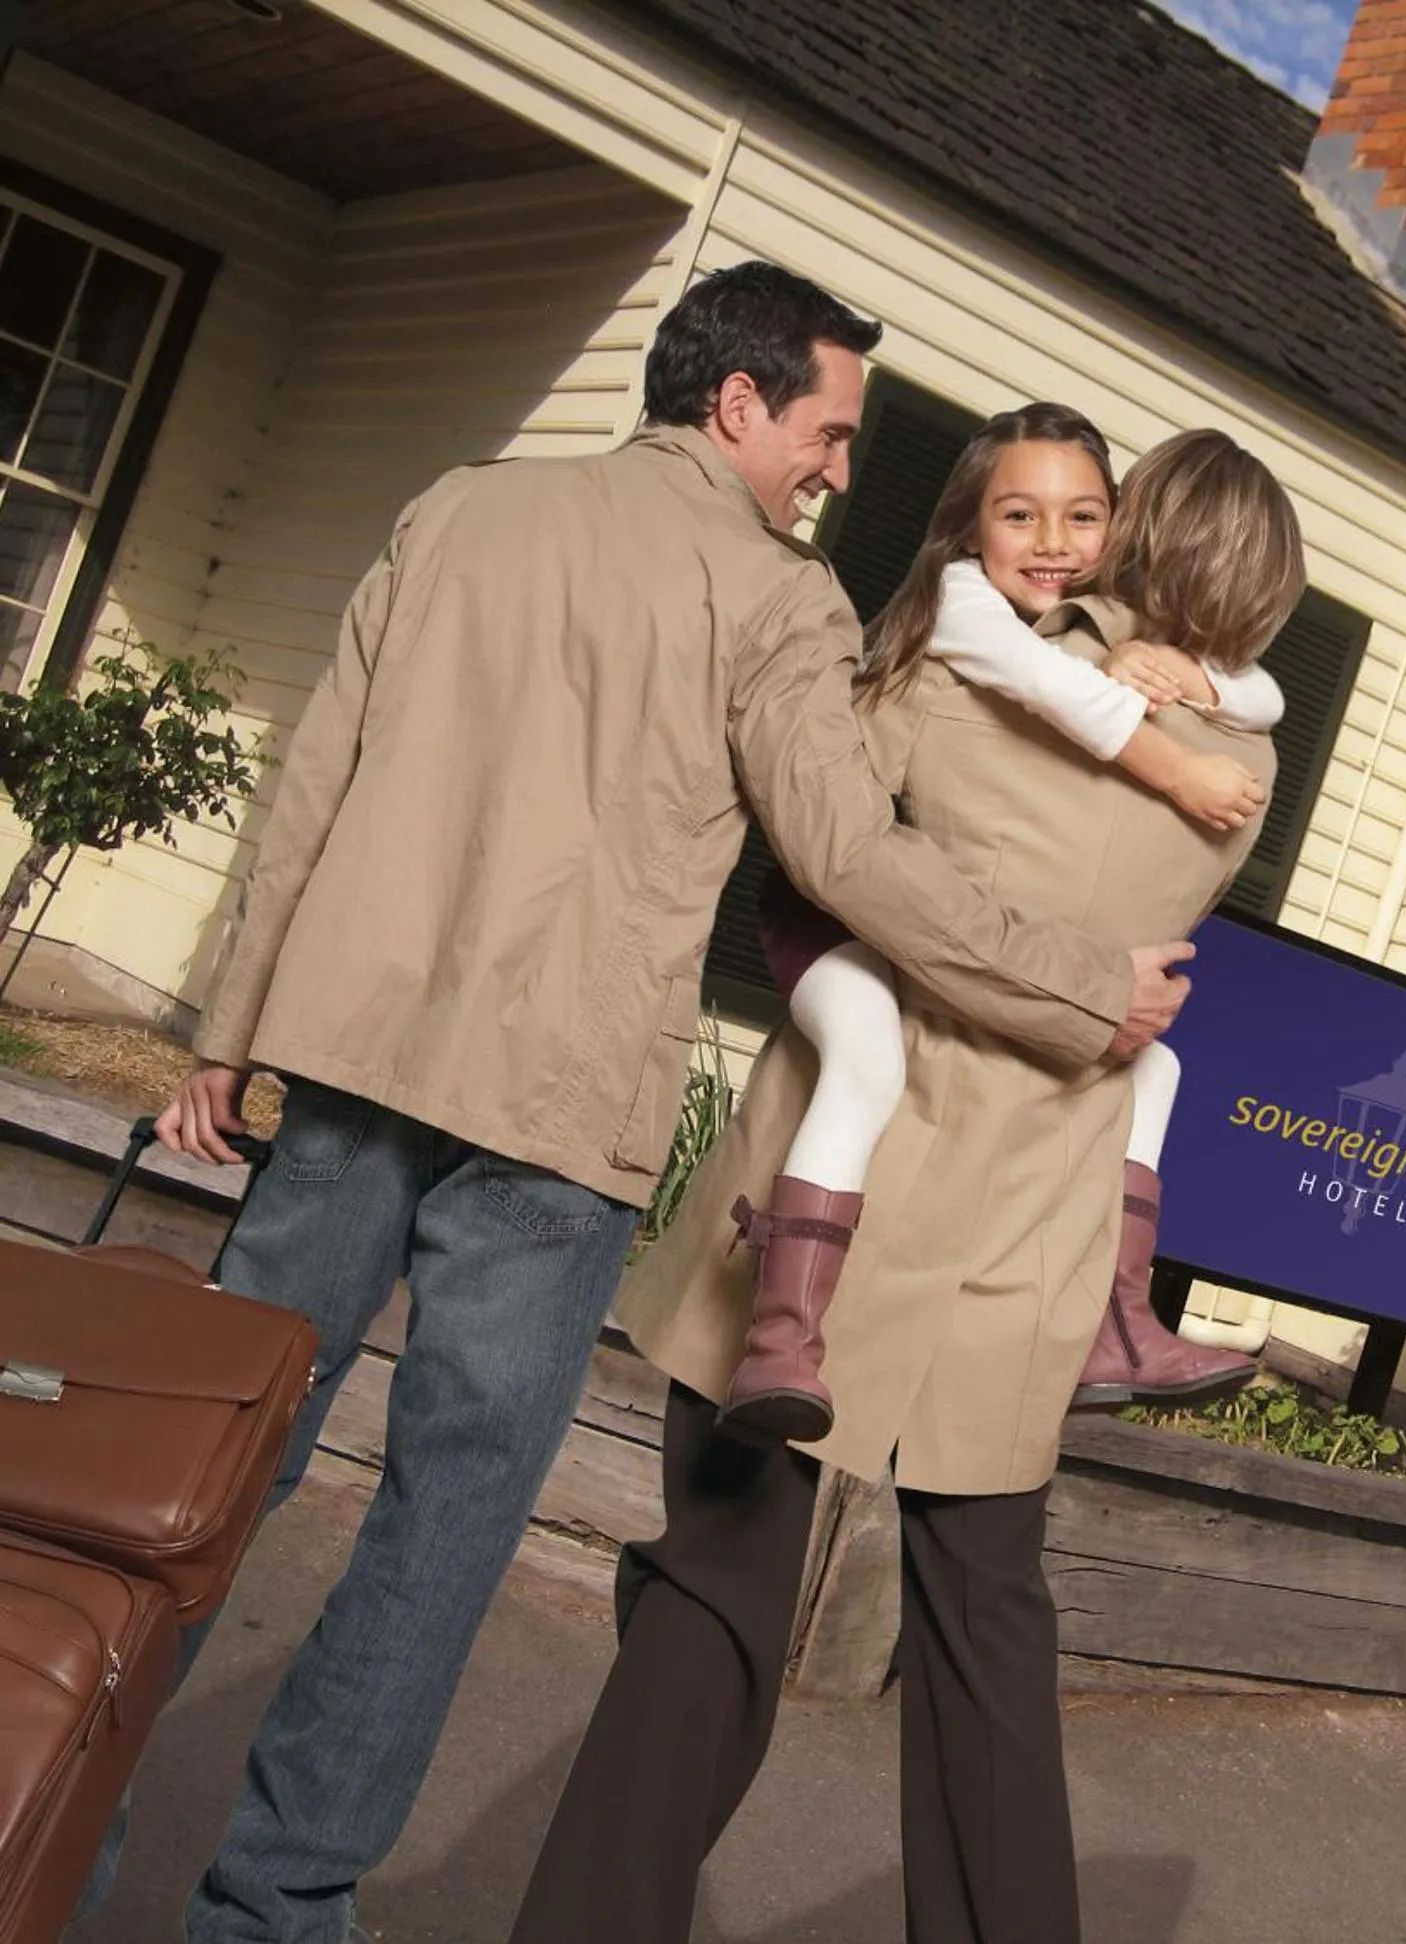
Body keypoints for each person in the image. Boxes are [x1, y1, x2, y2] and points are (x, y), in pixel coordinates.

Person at [135, 265, 1196, 1944]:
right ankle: (268, 1910)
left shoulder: (461, 510)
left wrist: (226, 1024)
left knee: (188, 1473)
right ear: (739, 402)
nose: (838, 472)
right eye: (829, 433)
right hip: (553, 1133)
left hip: (345, 1073)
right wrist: (1078, 979)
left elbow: (317, 770)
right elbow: (850, 856)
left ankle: (37, 1801)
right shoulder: (780, 605)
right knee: (436, 1532)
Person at [509, 421, 1306, 1944]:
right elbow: (1114, 929)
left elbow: (826, 847)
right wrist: (1078, 980)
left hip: (829, 1199)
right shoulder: (1243, 766)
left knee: (717, 1593)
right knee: (985, 1633)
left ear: (1125, 533)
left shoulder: (973, 654)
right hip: (1023, 1231)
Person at [719, 402, 1276, 1442]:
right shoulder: (967, 614)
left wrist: (1198, 682)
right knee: (868, 1061)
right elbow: (1048, 700)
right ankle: (780, 1336)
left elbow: (1267, 696)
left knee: (1160, 1072)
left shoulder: (1123, 663)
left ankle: (1120, 1318)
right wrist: (1179, 757)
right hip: (829, 921)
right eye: (1022, 517)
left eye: (1085, 520)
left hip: (947, 955)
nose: (1057, 547)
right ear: (974, 526)